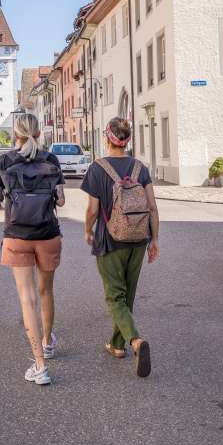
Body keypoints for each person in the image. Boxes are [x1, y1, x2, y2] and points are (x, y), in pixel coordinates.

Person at [0, 114, 65, 385]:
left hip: (17, 236)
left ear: (16, 134)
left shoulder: (5, 161)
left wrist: (12, 202)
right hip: (48, 234)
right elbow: (62, 200)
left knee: (27, 298)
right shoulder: (52, 160)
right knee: (46, 291)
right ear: (38, 132)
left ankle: (40, 366)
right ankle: (47, 342)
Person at [81, 117, 160, 377]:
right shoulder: (140, 168)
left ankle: (135, 341)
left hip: (110, 240)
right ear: (128, 141)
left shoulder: (97, 168)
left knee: (115, 296)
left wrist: (87, 230)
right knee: (127, 296)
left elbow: (93, 210)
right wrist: (154, 240)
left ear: (107, 138)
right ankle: (116, 344)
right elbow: (152, 207)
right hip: (138, 239)